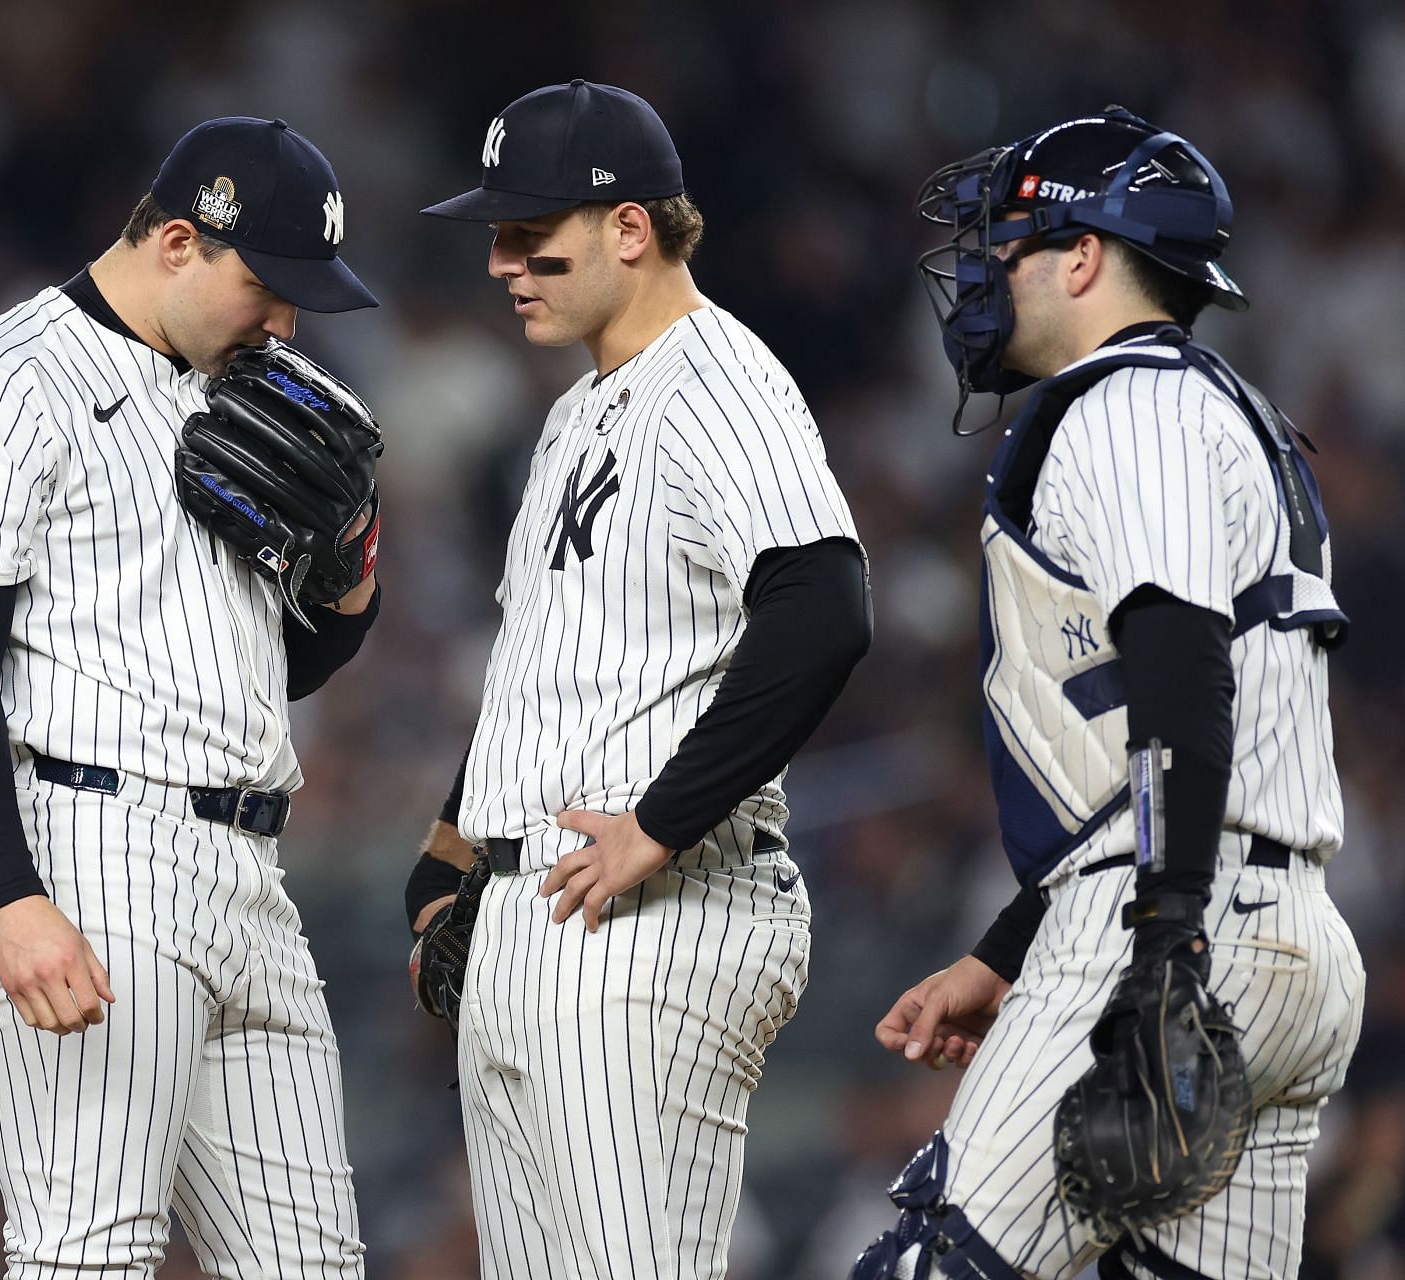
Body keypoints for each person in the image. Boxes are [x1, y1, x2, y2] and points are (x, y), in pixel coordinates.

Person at [854, 108, 1366, 1279]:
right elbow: (1166, 738)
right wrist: (1008, 945)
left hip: (1172, 919)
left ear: (1084, 257)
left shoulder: (1128, 405)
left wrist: (1165, 935)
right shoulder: (1229, 414)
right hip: (1291, 944)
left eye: (1012, 242)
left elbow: (1181, 673)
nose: (986, 270)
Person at [0, 116, 380, 1278]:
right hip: (87, 843)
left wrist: (352, 571)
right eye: (265, 285)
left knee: (313, 1265)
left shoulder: (246, 388)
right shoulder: (1, 386)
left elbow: (284, 665)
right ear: (174, 242)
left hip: (250, 867)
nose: (286, 322)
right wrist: (11, 896)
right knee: (90, 1251)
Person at [409, 79, 873, 1280]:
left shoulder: (718, 379)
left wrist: (661, 825)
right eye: (498, 236)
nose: (506, 263)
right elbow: (540, 657)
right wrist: (451, 849)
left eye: (532, 235)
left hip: (649, 919)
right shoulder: (575, 413)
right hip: (538, 913)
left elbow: (822, 609)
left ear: (629, 227)